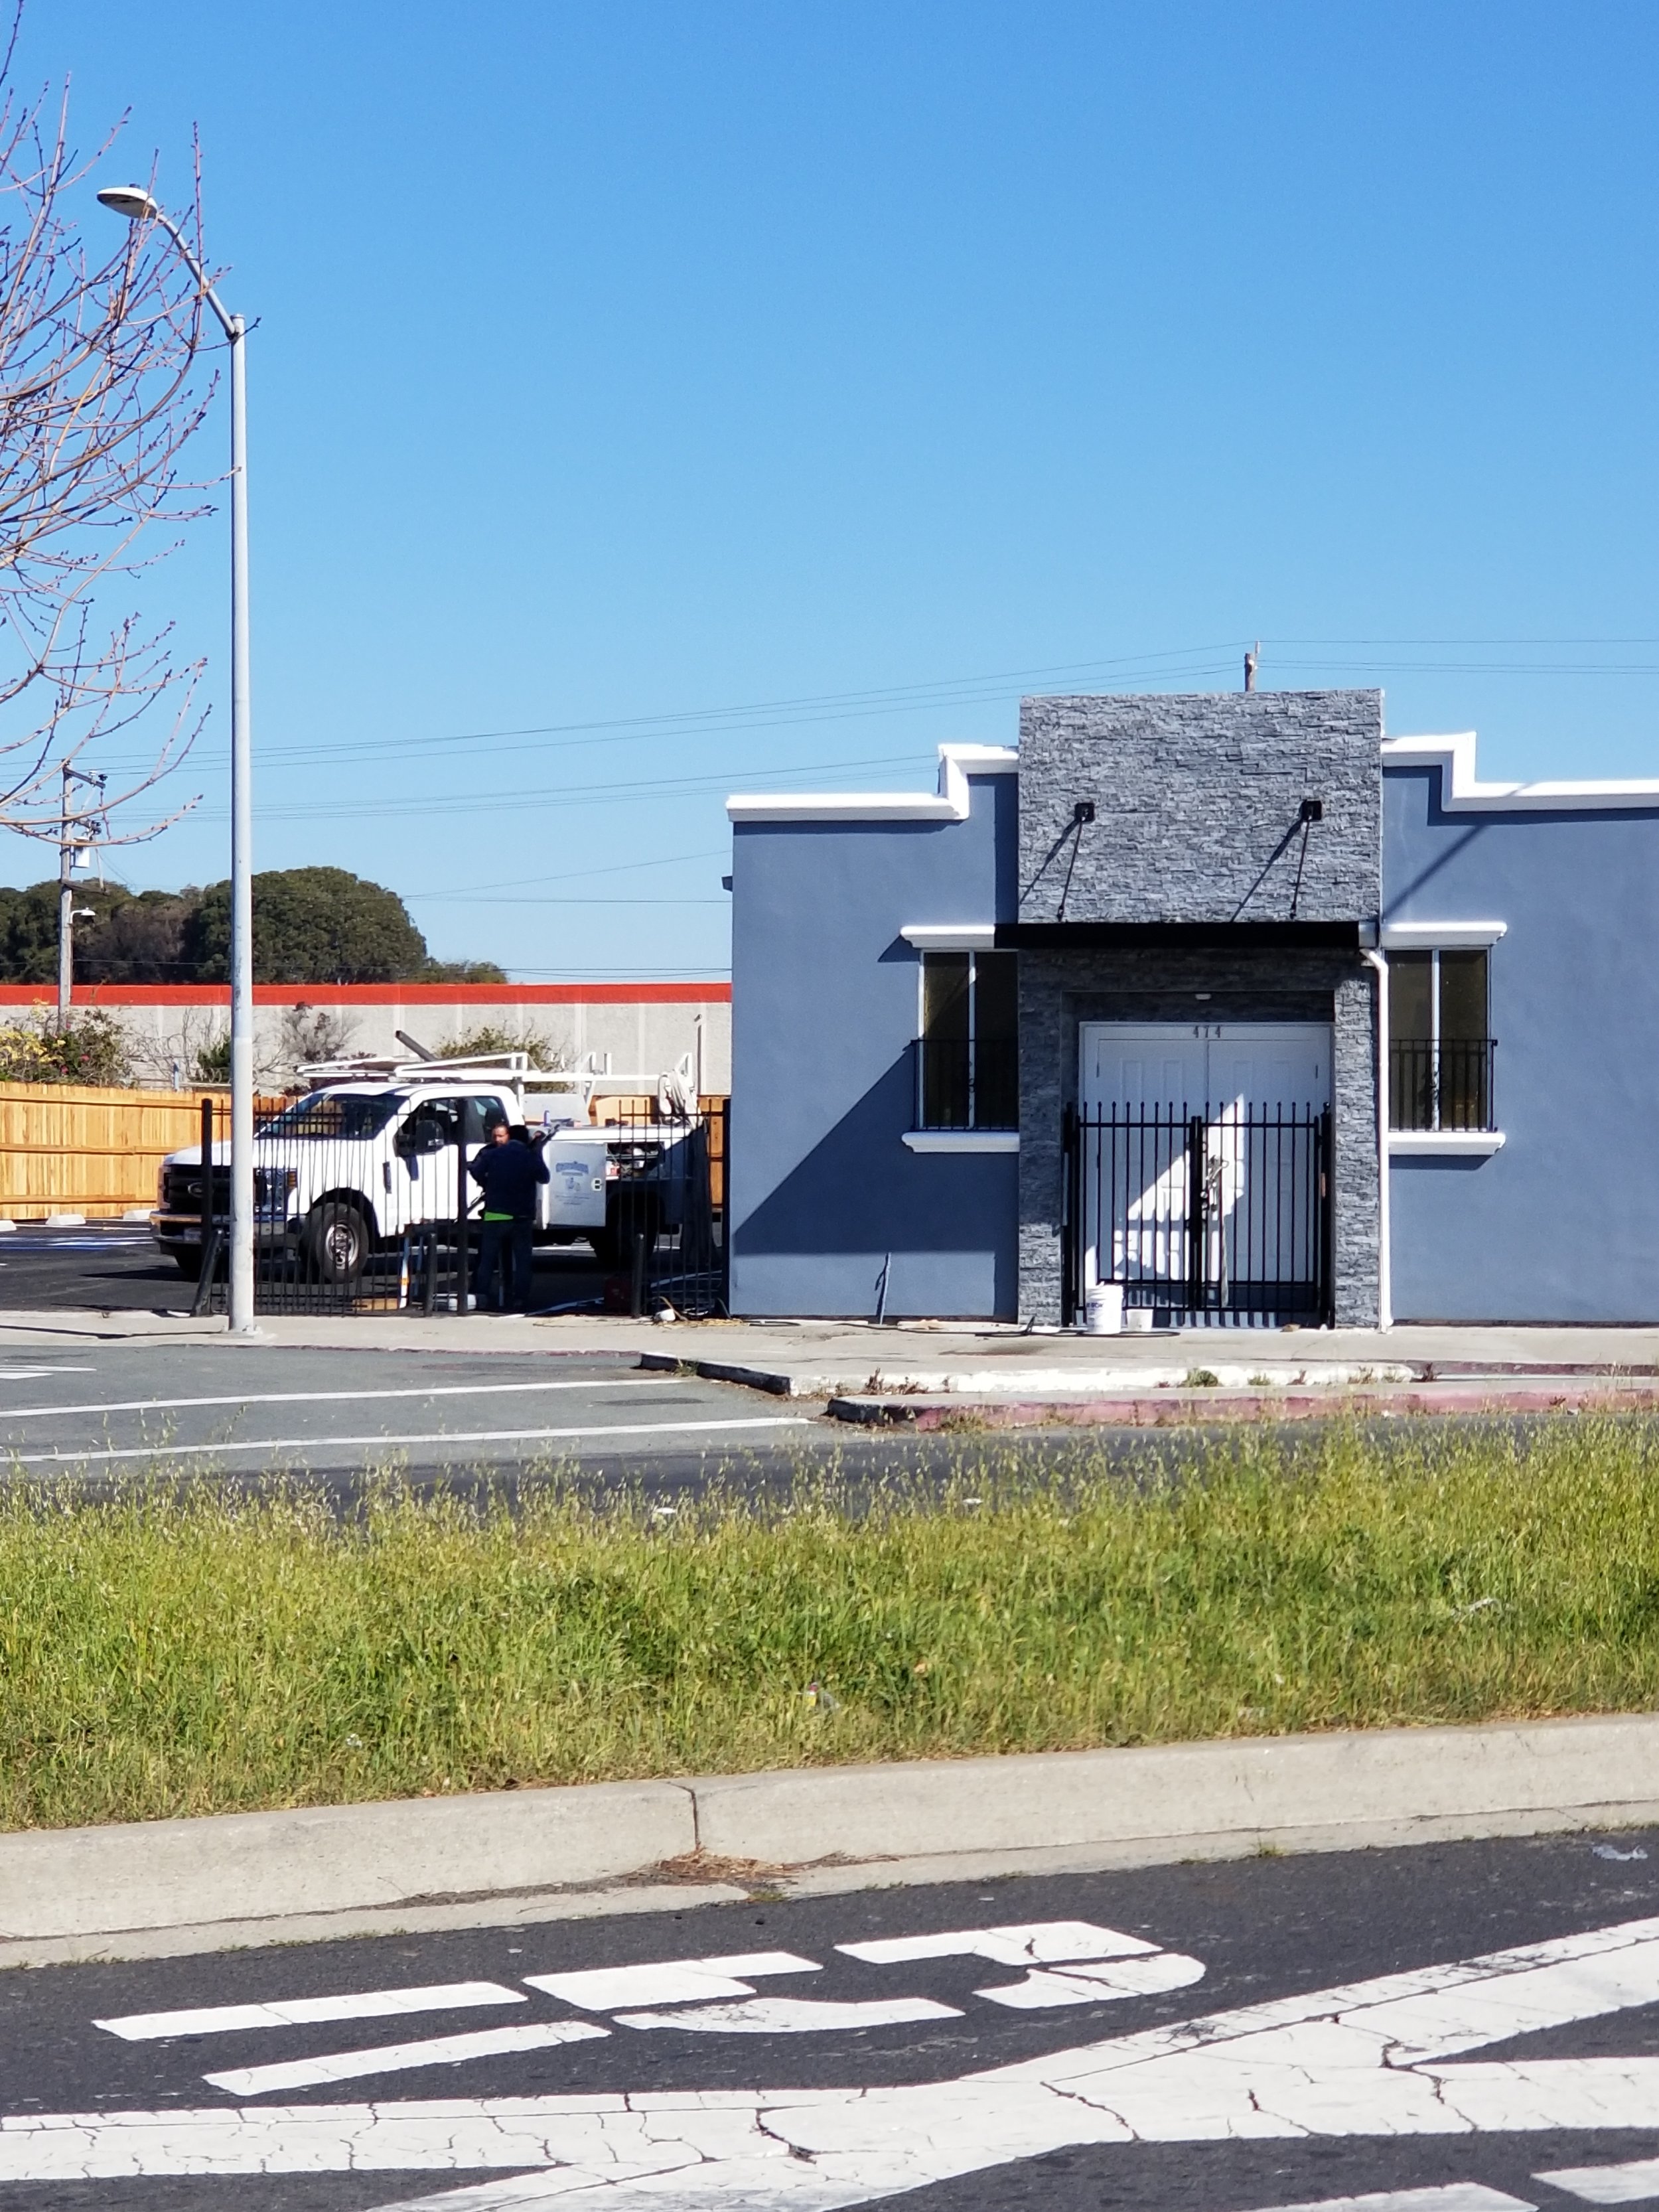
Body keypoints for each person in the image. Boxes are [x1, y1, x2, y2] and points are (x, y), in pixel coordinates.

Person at [467, 1114, 549, 1313]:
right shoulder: (529, 1156)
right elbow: (544, 1178)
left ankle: (482, 1295)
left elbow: (475, 1170)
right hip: (521, 1216)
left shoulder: (493, 1154)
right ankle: (520, 1298)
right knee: (522, 1261)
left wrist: (488, 1183)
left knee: (487, 1259)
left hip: (495, 1214)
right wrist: (537, 1151)